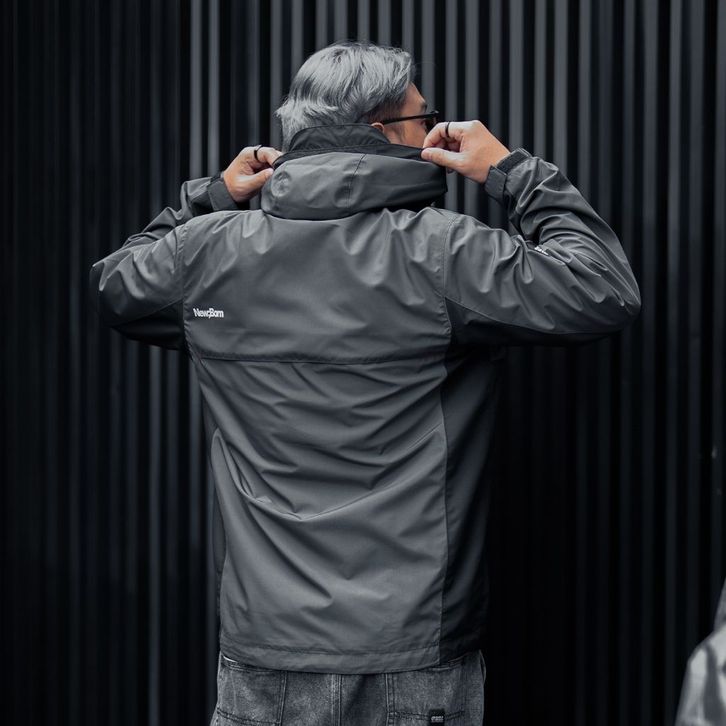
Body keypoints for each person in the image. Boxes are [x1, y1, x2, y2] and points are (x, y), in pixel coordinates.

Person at [88, 40, 641, 726]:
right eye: (424, 117)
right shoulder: (442, 253)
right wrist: (513, 171)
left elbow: (116, 286)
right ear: (383, 131)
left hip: (266, 653)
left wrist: (213, 195)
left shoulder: (206, 254)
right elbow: (602, 287)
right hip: (412, 652)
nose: (433, 128)